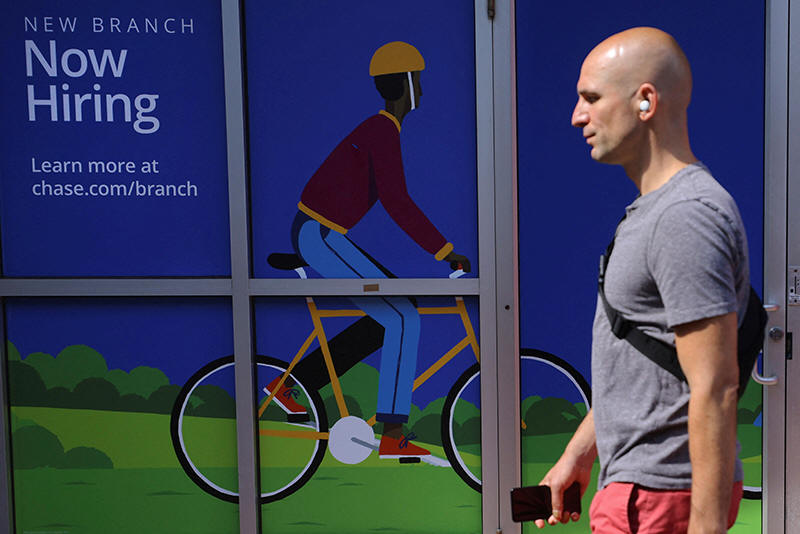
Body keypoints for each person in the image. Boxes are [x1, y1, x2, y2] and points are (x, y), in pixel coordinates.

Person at [535, 27, 747, 533]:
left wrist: (705, 527)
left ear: (645, 101)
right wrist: (580, 453)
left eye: (591, 98)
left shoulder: (684, 216)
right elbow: (647, 360)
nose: (577, 116)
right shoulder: (655, 211)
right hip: (639, 491)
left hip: (658, 500)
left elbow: (715, 385)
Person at [267, 41, 470, 460]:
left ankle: (292, 385)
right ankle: (392, 434)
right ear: (405, 84)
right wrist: (444, 251)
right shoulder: (381, 131)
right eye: (418, 80)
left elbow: (394, 201)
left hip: (322, 234)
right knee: (404, 316)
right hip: (318, 235)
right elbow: (398, 202)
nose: (422, 88)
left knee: (390, 317)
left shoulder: (382, 130)